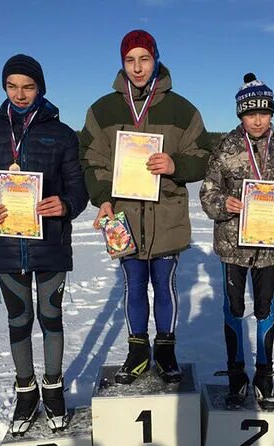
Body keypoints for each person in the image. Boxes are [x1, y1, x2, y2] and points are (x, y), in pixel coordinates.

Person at [0, 54, 88, 435]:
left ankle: (53, 390)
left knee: (51, 317)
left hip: (49, 243)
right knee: (19, 320)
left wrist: (64, 204)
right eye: (12, 86)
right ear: (4, 88)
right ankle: (25, 391)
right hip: (6, 244)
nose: (20, 94)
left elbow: (78, 191)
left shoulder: (62, 133)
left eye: (28, 86)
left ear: (40, 88)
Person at [80, 29, 211, 385]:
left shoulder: (182, 109)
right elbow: (91, 159)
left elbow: (203, 157)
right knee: (133, 285)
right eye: (130, 60)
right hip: (121, 216)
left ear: (156, 60)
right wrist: (103, 197)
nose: (138, 68)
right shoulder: (102, 109)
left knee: (164, 285)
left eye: (144, 59)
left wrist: (175, 165)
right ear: (122, 63)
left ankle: (166, 351)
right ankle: (138, 351)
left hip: (165, 215)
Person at [200, 73, 274, 410]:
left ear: (272, 114)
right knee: (233, 309)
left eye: (263, 113)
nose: (257, 120)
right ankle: (235, 377)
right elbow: (207, 192)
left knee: (264, 310)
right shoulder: (226, 149)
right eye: (250, 114)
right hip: (233, 246)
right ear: (240, 115)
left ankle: (264, 377)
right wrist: (223, 204)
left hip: (268, 249)